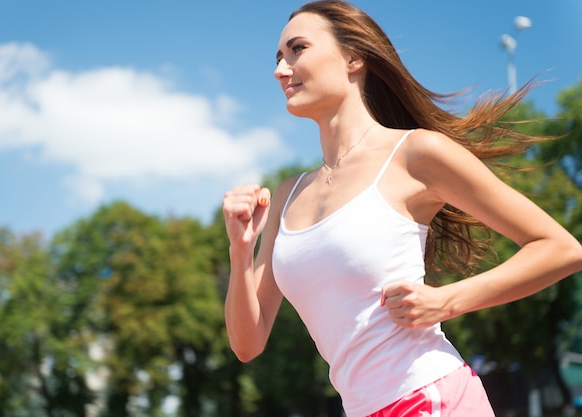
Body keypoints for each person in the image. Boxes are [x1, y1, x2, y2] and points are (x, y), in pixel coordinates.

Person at [221, 1, 582, 416]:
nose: (280, 70)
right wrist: (239, 249)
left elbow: (560, 247)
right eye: (279, 58)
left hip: (430, 397)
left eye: (297, 49)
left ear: (353, 57)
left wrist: (447, 300)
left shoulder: (415, 154)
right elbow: (247, 345)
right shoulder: (287, 194)